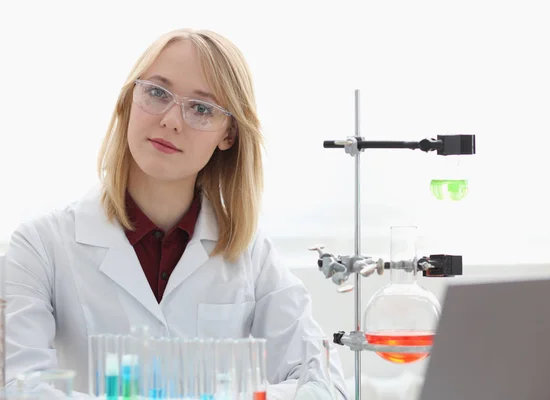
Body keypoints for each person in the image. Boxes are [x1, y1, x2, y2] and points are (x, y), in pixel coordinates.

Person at [4, 28, 348, 399]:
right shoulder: (39, 245)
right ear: (129, 99)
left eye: (201, 108)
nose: (171, 120)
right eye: (156, 92)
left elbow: (323, 386)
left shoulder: (252, 254)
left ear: (228, 135)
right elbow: (17, 386)